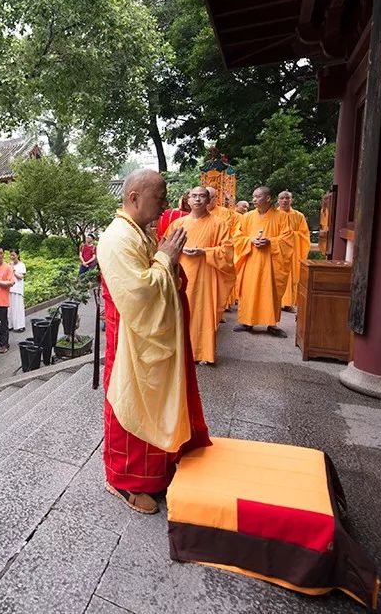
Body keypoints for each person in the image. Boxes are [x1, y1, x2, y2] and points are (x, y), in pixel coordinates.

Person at [97, 169, 211, 515]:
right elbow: (140, 293)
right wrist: (165, 259)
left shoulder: (139, 233)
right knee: (128, 404)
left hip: (147, 337)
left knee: (154, 403)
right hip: (131, 340)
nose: (164, 204)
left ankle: (155, 474)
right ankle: (122, 480)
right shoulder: (117, 238)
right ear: (134, 197)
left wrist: (166, 260)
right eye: (159, 197)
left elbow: (158, 275)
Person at [165, 187, 235, 365]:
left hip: (206, 276)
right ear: (188, 200)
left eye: (202, 196)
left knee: (203, 314)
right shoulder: (178, 224)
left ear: (209, 200)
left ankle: (204, 353)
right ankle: (181, 352)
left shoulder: (219, 223)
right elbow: (165, 247)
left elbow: (227, 251)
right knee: (180, 312)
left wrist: (204, 252)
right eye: (194, 196)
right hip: (182, 275)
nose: (197, 200)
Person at [233, 187, 294, 337]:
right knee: (249, 290)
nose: (254, 199)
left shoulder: (282, 217)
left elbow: (287, 239)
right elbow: (237, 237)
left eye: (258, 196)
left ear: (268, 198)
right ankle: (247, 322)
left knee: (270, 292)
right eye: (253, 196)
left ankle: (272, 324)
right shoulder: (246, 217)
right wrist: (250, 240)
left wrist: (270, 242)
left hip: (271, 262)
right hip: (251, 260)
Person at [276, 191, 310, 312]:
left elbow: (304, 234)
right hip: (278, 251)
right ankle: (276, 302)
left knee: (292, 276)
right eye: (282, 198)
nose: (285, 200)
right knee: (277, 275)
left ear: (292, 200)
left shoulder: (298, 215)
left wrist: (291, 236)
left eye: (287, 198)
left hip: (293, 251)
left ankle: (289, 303)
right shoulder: (274, 215)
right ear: (278, 200)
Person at [8, 249, 26, 332]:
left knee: (18, 308)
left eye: (13, 255)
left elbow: (21, 277)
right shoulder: (8, 264)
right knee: (10, 309)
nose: (11, 257)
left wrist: (13, 270)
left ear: (17, 255)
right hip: (10, 288)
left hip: (18, 289)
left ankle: (19, 326)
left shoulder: (21, 265)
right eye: (10, 255)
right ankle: (10, 325)